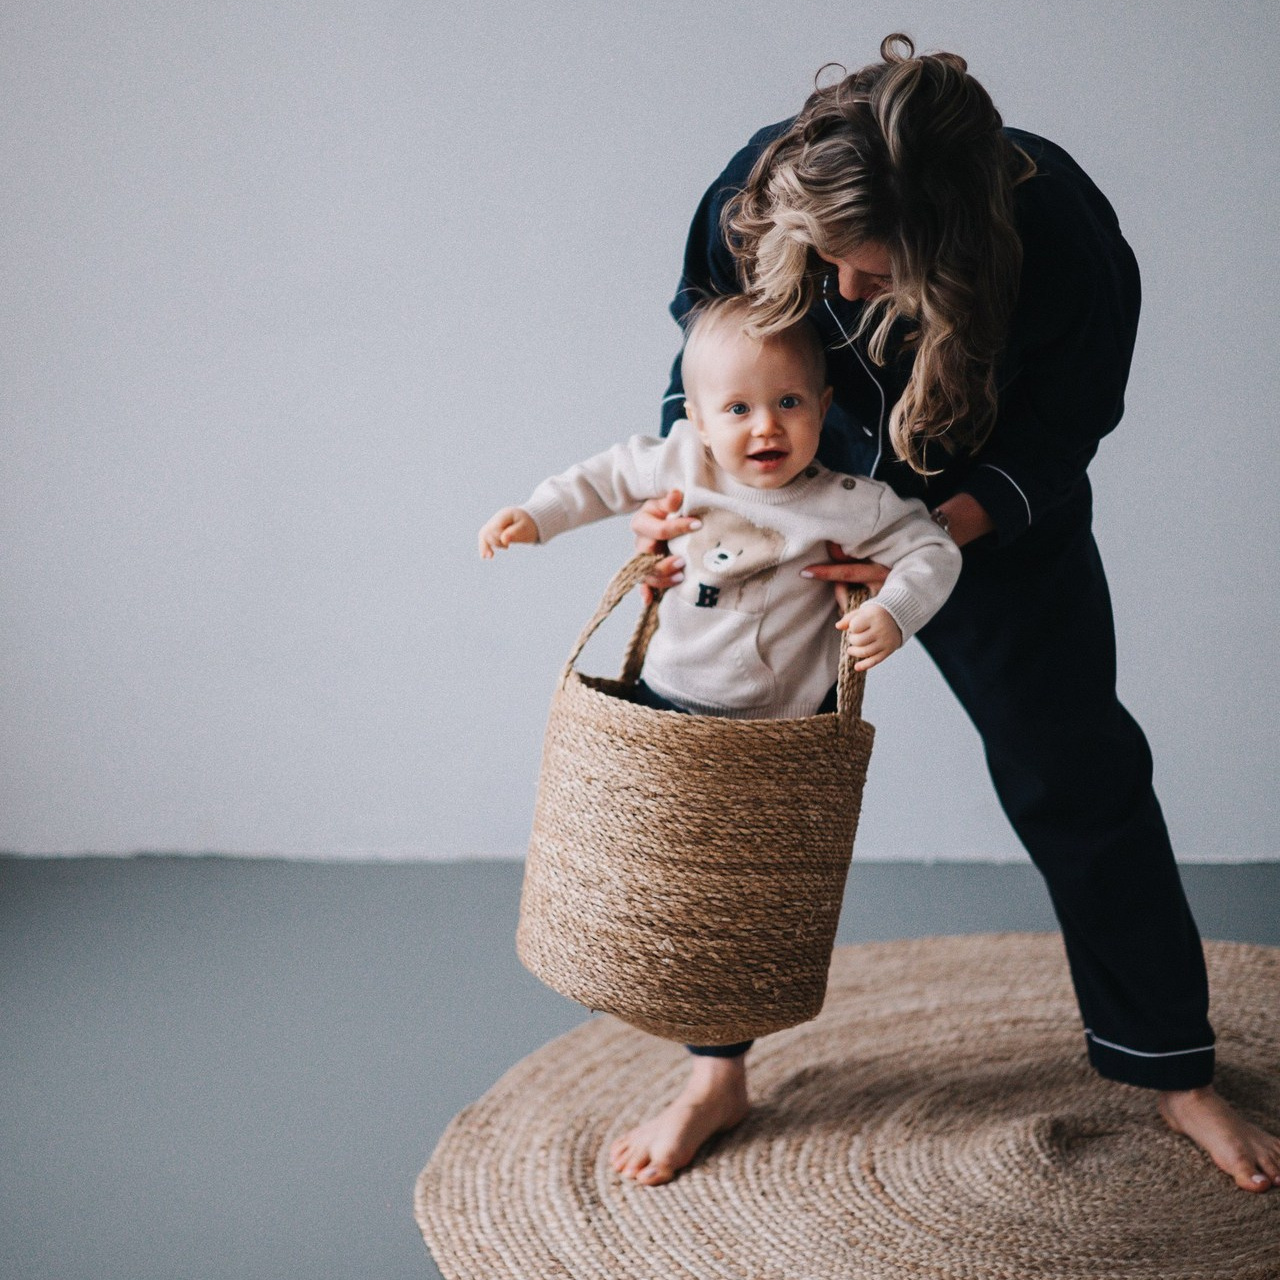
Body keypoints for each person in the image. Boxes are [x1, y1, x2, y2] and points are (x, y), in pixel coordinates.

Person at [611, 33, 1280, 1191]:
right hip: (778, 507)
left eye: (873, 272)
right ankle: (713, 1070)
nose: (845, 293)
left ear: (959, 245)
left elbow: (1064, 433)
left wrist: (928, 545)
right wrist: (685, 495)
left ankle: (1172, 1070)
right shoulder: (751, 194)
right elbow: (703, 359)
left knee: (1077, 772)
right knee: (727, 793)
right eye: (822, 265)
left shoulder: (1062, 235)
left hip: (978, 521)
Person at [479, 295, 961, 716]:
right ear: (699, 422)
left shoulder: (848, 503)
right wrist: (538, 514)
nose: (766, 426)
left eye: (789, 402)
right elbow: (605, 477)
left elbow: (933, 550)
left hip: (787, 720)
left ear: (823, 404)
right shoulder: (686, 461)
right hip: (663, 692)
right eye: (738, 409)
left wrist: (895, 612)